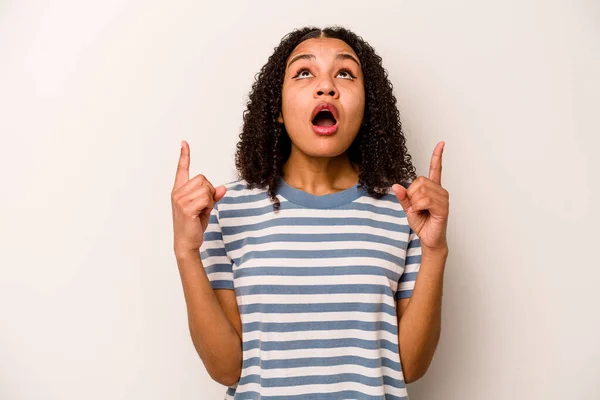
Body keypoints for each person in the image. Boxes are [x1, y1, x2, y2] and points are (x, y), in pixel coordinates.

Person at [171, 25, 449, 400]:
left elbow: (410, 368)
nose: (326, 86)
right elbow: (226, 369)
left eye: (345, 74)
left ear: (367, 109)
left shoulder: (404, 211)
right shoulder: (228, 209)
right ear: (278, 111)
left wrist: (435, 251)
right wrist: (186, 251)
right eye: (304, 72)